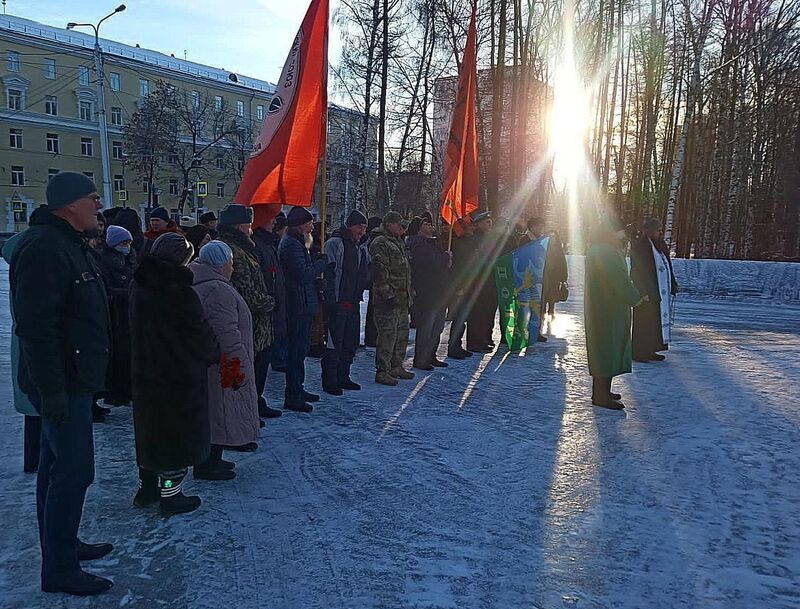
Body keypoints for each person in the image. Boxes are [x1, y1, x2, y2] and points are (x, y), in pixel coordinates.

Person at [9, 172, 114, 596]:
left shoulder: (68, 243)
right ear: (69, 204)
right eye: (93, 198)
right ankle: (59, 568)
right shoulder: (45, 248)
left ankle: (62, 545)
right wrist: (51, 391)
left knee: (56, 469)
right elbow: (37, 329)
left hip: (72, 378)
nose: (98, 206)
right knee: (73, 472)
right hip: (61, 383)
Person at [129, 233, 220, 515]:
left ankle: (146, 489)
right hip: (179, 376)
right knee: (175, 439)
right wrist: (213, 353)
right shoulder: (179, 291)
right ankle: (171, 494)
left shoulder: (138, 285)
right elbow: (198, 332)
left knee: (150, 434)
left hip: (145, 371)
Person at [191, 241, 260, 478]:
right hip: (224, 363)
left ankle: (212, 459)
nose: (232, 267)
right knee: (220, 410)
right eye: (231, 262)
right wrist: (239, 361)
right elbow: (226, 332)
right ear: (220, 264)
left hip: (212, 361)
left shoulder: (204, 283)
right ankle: (207, 464)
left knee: (217, 409)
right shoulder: (217, 290)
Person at [217, 204, 279, 425]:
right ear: (239, 226)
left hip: (257, 325)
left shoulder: (243, 247)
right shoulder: (233, 251)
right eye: (249, 224)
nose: (252, 228)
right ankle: (244, 414)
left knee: (256, 370)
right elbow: (246, 292)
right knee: (245, 372)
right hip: (248, 324)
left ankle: (253, 405)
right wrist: (271, 301)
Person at [584, 217, 647, 410]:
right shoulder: (606, 252)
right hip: (608, 309)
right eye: (621, 230)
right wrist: (636, 298)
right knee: (607, 350)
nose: (624, 234)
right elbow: (619, 280)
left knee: (604, 350)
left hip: (603, 307)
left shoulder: (599, 249)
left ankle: (602, 390)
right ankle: (600, 395)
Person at [2, 209, 45, 473]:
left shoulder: (22, 258)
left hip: (26, 339)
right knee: (38, 406)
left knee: (34, 410)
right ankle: (35, 460)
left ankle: (33, 459)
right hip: (34, 341)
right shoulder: (34, 261)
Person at [278, 206, 329, 412]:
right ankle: (293, 393)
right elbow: (302, 275)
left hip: (303, 303)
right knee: (296, 352)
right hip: (297, 305)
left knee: (300, 352)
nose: (313, 226)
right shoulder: (291, 244)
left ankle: (298, 388)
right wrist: (321, 265)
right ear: (300, 224)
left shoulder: (298, 242)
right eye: (309, 222)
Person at [321, 210, 370, 395]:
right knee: (334, 342)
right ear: (350, 226)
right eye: (359, 226)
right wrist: (330, 300)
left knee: (350, 341)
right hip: (338, 301)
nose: (362, 231)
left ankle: (344, 375)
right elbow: (329, 272)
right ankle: (330, 380)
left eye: (364, 227)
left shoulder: (361, 247)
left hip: (353, 301)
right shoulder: (335, 243)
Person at [369, 211, 414, 386]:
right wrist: (388, 295)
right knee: (387, 336)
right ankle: (382, 370)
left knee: (401, 335)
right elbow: (379, 272)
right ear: (389, 224)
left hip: (402, 298)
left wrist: (409, 293)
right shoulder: (381, 242)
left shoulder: (398, 242)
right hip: (387, 300)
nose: (402, 227)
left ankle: (396, 366)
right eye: (398, 224)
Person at [95, 225, 137, 406]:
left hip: (130, 313)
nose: (127, 245)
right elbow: (105, 289)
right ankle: (116, 392)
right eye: (123, 242)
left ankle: (126, 390)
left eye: (128, 242)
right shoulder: (104, 262)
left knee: (128, 354)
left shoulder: (131, 259)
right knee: (118, 354)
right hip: (116, 314)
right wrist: (127, 293)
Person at [630, 217, 678, 362]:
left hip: (658, 291)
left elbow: (667, 266)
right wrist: (642, 291)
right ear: (649, 231)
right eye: (657, 230)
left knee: (654, 322)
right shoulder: (640, 246)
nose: (660, 233)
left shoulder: (660, 245)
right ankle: (638, 352)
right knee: (643, 322)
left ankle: (651, 350)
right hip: (646, 291)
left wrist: (673, 284)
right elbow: (636, 271)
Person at [408, 216, 452, 370]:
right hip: (427, 292)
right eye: (426, 224)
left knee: (437, 328)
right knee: (426, 328)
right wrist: (445, 257)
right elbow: (429, 263)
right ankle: (421, 359)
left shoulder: (434, 242)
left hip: (439, 291)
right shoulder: (417, 244)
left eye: (431, 224)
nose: (430, 227)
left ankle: (431, 355)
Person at [466, 210, 498, 353]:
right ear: (478, 224)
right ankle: (474, 342)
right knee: (476, 313)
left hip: (488, 280)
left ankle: (483, 339)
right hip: (477, 281)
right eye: (487, 222)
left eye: (490, 222)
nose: (490, 224)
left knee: (486, 313)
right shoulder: (474, 239)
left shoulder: (489, 238)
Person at [447, 218, 476, 359]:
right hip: (460, 285)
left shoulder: (468, 241)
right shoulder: (458, 243)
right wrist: (459, 286)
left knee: (462, 318)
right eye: (469, 225)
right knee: (458, 318)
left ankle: (457, 345)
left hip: (468, 283)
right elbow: (457, 267)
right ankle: (453, 347)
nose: (472, 227)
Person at [269, 211, 289, 371]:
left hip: (281, 291)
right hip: (275, 293)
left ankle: (280, 357)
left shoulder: (276, 244)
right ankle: (278, 358)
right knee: (277, 328)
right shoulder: (275, 245)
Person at [363, 215, 383, 348]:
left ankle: (372, 336)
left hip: (375, 280)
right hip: (377, 280)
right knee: (374, 311)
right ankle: (372, 337)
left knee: (373, 310)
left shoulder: (371, 239)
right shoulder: (377, 241)